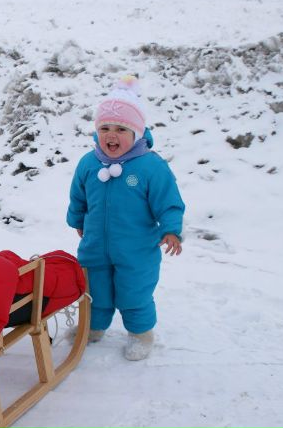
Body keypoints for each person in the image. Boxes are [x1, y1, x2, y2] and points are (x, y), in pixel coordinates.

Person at [66, 76, 185, 361]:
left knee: (134, 293)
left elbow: (169, 201)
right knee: (94, 290)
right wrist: (77, 220)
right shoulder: (89, 163)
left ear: (137, 133)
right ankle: (93, 328)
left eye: (121, 129)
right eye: (105, 128)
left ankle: (141, 334)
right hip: (95, 246)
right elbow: (78, 196)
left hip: (137, 251)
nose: (111, 135)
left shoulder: (150, 166)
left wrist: (171, 230)